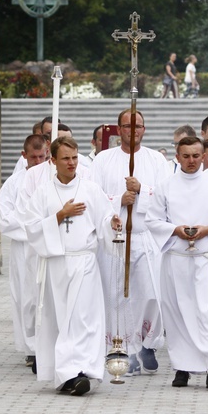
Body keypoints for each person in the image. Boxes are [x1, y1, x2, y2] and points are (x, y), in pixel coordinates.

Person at [22, 136, 121, 396]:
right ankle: (67, 374)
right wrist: (60, 215)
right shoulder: (43, 193)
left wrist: (113, 224)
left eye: (75, 157)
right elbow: (31, 228)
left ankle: (83, 371)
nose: (71, 163)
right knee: (61, 321)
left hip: (85, 262)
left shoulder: (90, 189)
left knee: (85, 319)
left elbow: (104, 220)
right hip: (56, 264)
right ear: (52, 160)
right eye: (65, 158)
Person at [146, 136, 208, 389]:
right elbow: (153, 220)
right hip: (175, 260)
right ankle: (182, 368)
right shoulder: (165, 186)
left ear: (203, 156)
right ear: (177, 157)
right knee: (177, 313)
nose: (191, 161)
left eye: (196, 156)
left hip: (205, 260)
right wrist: (175, 230)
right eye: (185, 156)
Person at [91, 109, 170, 376]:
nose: (133, 131)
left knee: (151, 293)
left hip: (145, 237)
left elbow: (165, 196)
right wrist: (118, 201)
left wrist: (142, 190)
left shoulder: (157, 160)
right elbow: (94, 196)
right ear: (119, 129)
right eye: (128, 126)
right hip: (115, 238)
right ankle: (122, 349)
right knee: (116, 295)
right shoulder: (103, 160)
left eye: (138, 127)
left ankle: (146, 343)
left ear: (144, 130)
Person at [0, 134, 48, 367]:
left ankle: (49, 342)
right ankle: (31, 347)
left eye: (42, 156)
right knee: (26, 296)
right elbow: (4, 220)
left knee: (48, 296)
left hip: (49, 245)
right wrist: (34, 224)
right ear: (24, 156)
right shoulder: (14, 184)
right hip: (24, 246)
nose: (38, 162)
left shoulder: (54, 179)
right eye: (33, 157)